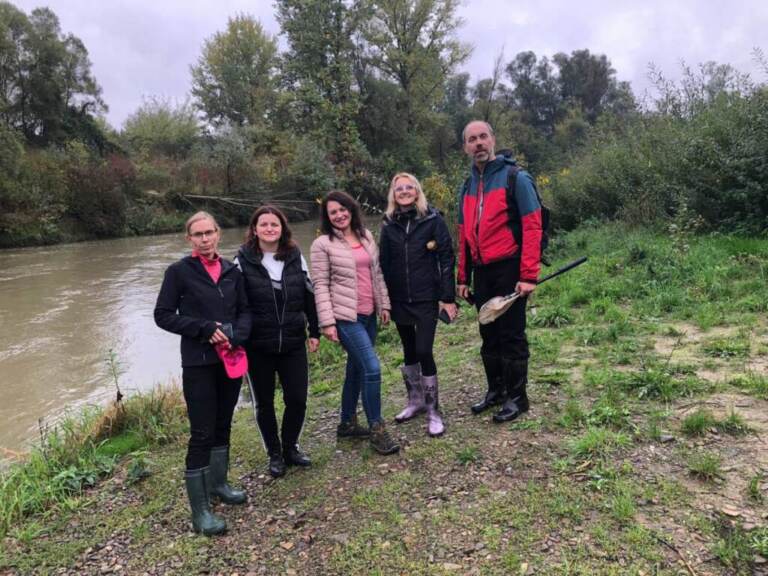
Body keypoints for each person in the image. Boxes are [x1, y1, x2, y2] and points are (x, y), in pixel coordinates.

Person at [154, 211, 250, 536]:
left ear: (218, 234)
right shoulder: (178, 272)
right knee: (202, 432)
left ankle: (219, 485)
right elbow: (163, 315)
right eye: (198, 234)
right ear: (189, 239)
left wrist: (237, 333)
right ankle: (200, 512)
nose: (205, 239)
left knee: (223, 423)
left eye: (209, 232)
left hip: (230, 359)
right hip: (198, 363)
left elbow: (246, 311)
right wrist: (204, 328)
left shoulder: (232, 271)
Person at [456, 120, 543, 423]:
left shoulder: (516, 178)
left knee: (511, 335)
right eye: (472, 139)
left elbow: (533, 226)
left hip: (510, 268)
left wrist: (528, 275)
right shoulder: (466, 186)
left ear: (492, 140)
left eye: (483, 137)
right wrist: (463, 277)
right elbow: (463, 234)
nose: (478, 143)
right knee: (488, 332)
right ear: (465, 147)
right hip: (482, 272)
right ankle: (496, 391)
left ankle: (518, 398)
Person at [310, 190, 400, 455]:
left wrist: (384, 304)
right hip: (345, 317)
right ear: (327, 217)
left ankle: (347, 422)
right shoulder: (322, 244)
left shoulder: (366, 236)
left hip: (369, 314)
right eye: (333, 212)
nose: (339, 215)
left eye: (343, 209)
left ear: (351, 209)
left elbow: (377, 273)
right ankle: (377, 430)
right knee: (372, 368)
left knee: (356, 369)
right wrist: (327, 323)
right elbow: (320, 284)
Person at [234, 206, 320, 478]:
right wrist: (237, 337)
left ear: (282, 228)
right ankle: (274, 453)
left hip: (293, 341)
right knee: (264, 403)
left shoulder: (295, 256)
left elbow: (309, 295)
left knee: (297, 398)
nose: (269, 229)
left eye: (275, 224)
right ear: (255, 229)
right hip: (257, 346)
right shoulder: (242, 260)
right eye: (264, 224)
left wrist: (315, 331)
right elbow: (237, 304)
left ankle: (290, 447)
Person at [379, 172, 456, 437]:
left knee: (424, 350)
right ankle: (415, 401)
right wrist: (383, 300)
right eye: (398, 188)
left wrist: (447, 298)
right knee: (409, 350)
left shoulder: (433, 219)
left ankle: (434, 409)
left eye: (408, 187)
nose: (404, 191)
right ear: (393, 194)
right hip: (399, 297)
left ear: (417, 191)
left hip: (426, 297)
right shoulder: (388, 224)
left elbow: (446, 258)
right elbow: (383, 263)